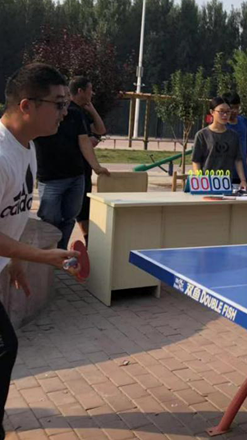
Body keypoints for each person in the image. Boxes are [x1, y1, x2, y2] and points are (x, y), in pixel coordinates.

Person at [0, 63, 81, 439]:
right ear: (27, 105)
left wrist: (15, 260)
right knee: (5, 347)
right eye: (59, 103)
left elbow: (11, 214)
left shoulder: (28, 147)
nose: (65, 112)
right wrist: (44, 256)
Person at [35, 77, 110, 250]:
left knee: (69, 218)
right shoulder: (41, 116)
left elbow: (85, 141)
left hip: (76, 176)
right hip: (50, 178)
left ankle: (60, 253)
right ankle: (46, 254)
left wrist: (96, 167)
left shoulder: (76, 114)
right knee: (50, 219)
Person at [70, 76, 107, 245]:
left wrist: (92, 110)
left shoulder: (83, 112)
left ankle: (88, 243)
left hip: (85, 169)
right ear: (80, 91)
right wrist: (84, 142)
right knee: (70, 212)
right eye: (90, 90)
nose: (92, 93)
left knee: (84, 209)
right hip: (72, 169)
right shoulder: (68, 112)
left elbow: (101, 129)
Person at [191, 97, 247, 190]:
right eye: (221, 111)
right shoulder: (202, 135)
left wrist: (243, 180)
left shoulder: (234, 136)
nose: (225, 115)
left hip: (226, 184)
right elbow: (196, 161)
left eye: (228, 112)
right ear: (212, 112)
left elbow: (238, 160)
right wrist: (200, 181)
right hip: (207, 183)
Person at [222, 92, 247, 185]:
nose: (235, 111)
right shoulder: (221, 125)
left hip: (243, 175)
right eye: (232, 108)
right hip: (225, 175)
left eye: (237, 107)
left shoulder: (245, 122)